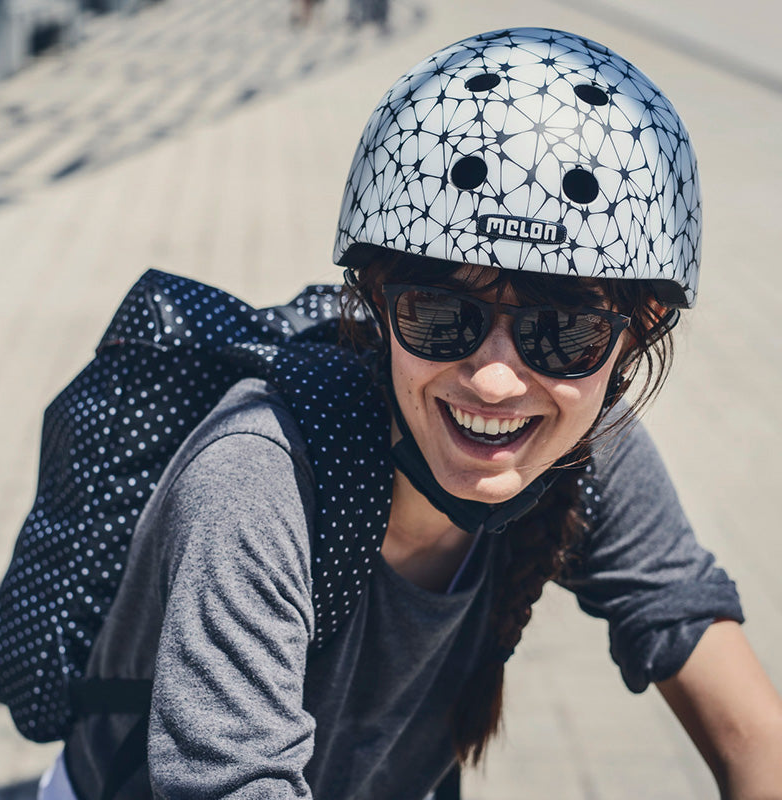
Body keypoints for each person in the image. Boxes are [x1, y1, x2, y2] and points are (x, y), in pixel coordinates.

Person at [38, 27, 782, 800]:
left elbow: (752, 731)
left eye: (561, 334)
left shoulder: (590, 450)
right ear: (375, 300)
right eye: (439, 315)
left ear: (640, 328)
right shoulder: (258, 477)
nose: (496, 381)